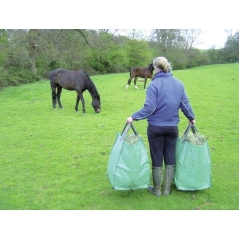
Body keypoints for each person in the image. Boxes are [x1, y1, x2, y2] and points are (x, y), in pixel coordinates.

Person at [126, 56, 196, 197]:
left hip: (155, 128)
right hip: (172, 128)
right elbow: (185, 105)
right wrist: (191, 118)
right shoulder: (179, 84)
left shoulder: (153, 85)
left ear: (155, 68)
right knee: (170, 155)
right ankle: (167, 189)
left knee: (157, 156)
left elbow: (149, 108)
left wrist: (133, 116)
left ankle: (157, 189)